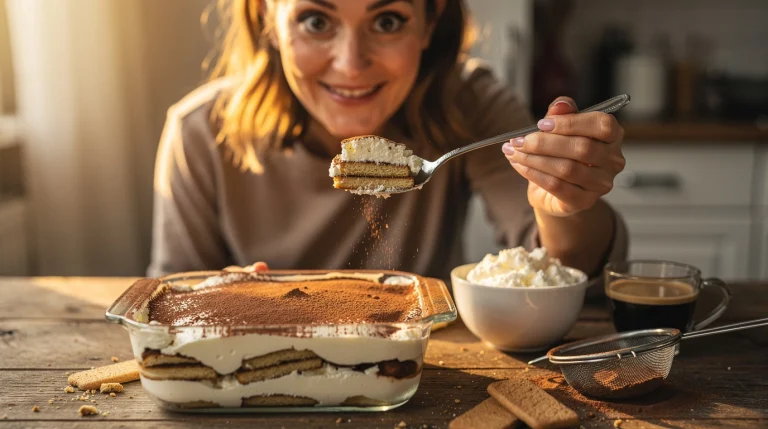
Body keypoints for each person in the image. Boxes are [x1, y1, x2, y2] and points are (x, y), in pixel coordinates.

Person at [148, 0, 628, 286]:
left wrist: (565, 202)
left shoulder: (468, 105)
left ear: (429, 21)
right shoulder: (200, 134)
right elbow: (174, 296)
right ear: (268, 21)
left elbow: (563, 271)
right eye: (316, 21)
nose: (351, 64)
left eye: (388, 21)